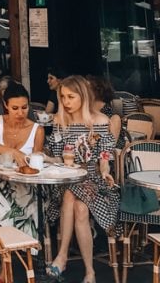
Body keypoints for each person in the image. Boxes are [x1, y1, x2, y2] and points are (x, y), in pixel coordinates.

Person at [45, 75, 119, 283]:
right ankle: (89, 271)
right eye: (63, 97)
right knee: (72, 197)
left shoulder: (101, 121)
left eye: (71, 97)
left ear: (83, 96)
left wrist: (105, 171)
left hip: (93, 180)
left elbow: (105, 155)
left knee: (79, 205)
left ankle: (63, 256)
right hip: (67, 180)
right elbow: (57, 154)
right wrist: (46, 157)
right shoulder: (60, 121)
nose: (66, 102)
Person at [0, 81, 45, 241]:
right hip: (3, 182)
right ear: (5, 105)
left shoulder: (37, 130)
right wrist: (12, 151)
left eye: (24, 107)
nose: (20, 113)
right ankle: (3, 253)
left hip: (28, 185)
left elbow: (36, 165)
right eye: (15, 108)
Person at [88, 75, 123, 148]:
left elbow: (109, 149)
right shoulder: (86, 114)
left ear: (97, 92)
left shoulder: (113, 118)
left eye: (86, 89)